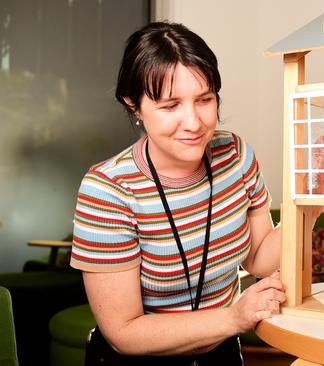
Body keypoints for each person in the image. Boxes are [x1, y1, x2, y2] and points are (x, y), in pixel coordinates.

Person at [70, 21, 287, 365]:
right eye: (170, 106)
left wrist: (309, 202)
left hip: (220, 350)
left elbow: (259, 258)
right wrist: (233, 318)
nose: (194, 122)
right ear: (134, 105)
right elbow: (123, 331)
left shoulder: (235, 154)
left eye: (204, 100)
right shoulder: (108, 189)